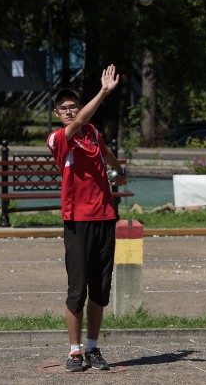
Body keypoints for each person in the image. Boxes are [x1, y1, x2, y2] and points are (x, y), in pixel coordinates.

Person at [46, 64, 127, 372]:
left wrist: (119, 170)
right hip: (78, 220)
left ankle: (93, 347)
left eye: (73, 106)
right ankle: (74, 351)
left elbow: (105, 153)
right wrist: (104, 91)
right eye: (63, 108)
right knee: (77, 290)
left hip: (105, 216)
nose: (70, 111)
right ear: (58, 114)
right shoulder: (58, 138)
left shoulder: (92, 132)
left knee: (100, 289)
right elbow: (81, 121)